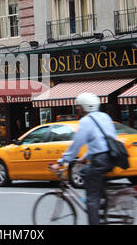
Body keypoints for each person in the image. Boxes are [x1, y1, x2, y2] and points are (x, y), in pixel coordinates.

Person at [51, 93, 115, 225]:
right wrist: (85, 157)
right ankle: (103, 201)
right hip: (111, 157)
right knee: (85, 171)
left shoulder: (86, 121)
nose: (77, 109)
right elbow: (104, 141)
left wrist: (61, 162)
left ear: (84, 107)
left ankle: (95, 211)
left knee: (91, 197)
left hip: (100, 160)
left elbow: (76, 145)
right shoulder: (105, 117)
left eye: (78, 107)